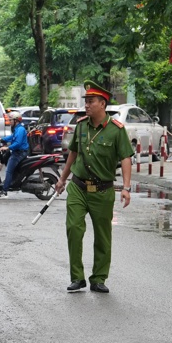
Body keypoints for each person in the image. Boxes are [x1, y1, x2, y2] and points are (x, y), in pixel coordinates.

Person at [54, 81, 135, 294]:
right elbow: (73, 153)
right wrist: (62, 179)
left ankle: (98, 278)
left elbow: (126, 158)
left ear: (102, 104)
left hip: (102, 190)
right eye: (86, 101)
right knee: (73, 229)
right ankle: (77, 278)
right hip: (78, 187)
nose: (87, 105)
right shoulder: (81, 125)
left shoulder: (116, 130)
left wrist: (126, 187)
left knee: (102, 236)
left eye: (91, 101)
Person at [0, 111, 29, 199]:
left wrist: (8, 148)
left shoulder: (20, 130)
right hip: (17, 152)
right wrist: (2, 139)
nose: (9, 122)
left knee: (9, 171)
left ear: (16, 121)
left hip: (19, 153)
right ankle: (11, 183)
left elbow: (17, 143)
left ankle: (4, 191)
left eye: (11, 120)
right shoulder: (17, 129)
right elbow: (12, 137)